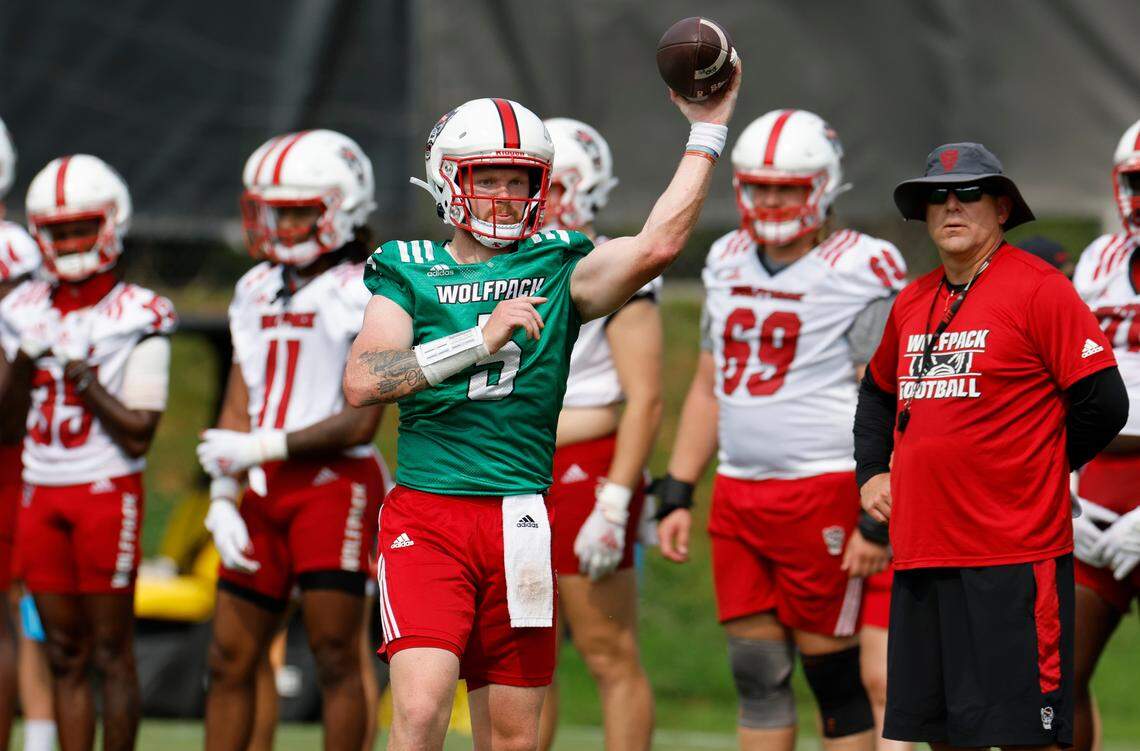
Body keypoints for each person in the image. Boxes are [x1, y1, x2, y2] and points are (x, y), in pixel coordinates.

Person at [343, 71, 740, 751]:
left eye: (519, 180)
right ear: (447, 178)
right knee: (419, 706)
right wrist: (477, 339)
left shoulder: (559, 264)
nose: (503, 195)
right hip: (429, 514)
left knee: (514, 735)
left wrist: (708, 129)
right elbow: (364, 379)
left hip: (521, 517)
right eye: (487, 177)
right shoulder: (407, 267)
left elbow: (657, 245)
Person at [855, 142, 1128, 750]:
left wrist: (1043, 464)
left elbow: (1104, 401)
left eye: (969, 193)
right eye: (936, 196)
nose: (951, 205)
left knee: (1029, 736)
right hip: (924, 554)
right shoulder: (911, 300)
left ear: (1002, 208)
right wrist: (872, 471)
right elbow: (875, 394)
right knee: (944, 733)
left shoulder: (1040, 289)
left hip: (1012, 558)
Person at [655, 109, 902, 751]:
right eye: (760, 184)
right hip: (739, 493)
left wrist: (878, 512)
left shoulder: (863, 266)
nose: (770, 199)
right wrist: (679, 487)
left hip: (821, 487)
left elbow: (898, 401)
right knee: (756, 675)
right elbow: (710, 386)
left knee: (834, 680)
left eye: (787, 187)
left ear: (822, 187)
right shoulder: (727, 257)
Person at [197, 129, 389, 751]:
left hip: (334, 484)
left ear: (343, 206)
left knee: (336, 652)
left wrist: (261, 448)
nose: (278, 224)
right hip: (260, 486)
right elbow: (238, 398)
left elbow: (362, 416)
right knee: (230, 655)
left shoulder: (368, 287)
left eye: (297, 210)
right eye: (272, 208)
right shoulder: (254, 287)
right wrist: (224, 493)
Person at [0, 154, 177, 751]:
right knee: (64, 653)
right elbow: (4, 426)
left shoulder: (140, 311)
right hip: (39, 491)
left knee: (110, 651)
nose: (71, 241)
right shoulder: (18, 311)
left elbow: (139, 432)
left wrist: (84, 379)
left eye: (81, 227)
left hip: (107, 490)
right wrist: (23, 364)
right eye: (58, 230)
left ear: (111, 223)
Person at [536, 118, 659, 751]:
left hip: (585, 467)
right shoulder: (499, 263)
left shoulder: (608, 262)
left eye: (552, 183)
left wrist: (614, 503)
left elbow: (643, 397)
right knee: (522, 657)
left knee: (607, 650)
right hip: (514, 468)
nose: (538, 198)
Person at [1069, 118, 1140, 751]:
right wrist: (1062, 483)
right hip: (1098, 488)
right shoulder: (1099, 259)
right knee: (1056, 676)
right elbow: (1061, 381)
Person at [0, 116, 51, 751]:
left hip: (14, 447)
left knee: (16, 615)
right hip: (30, 448)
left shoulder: (14, 250)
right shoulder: (23, 247)